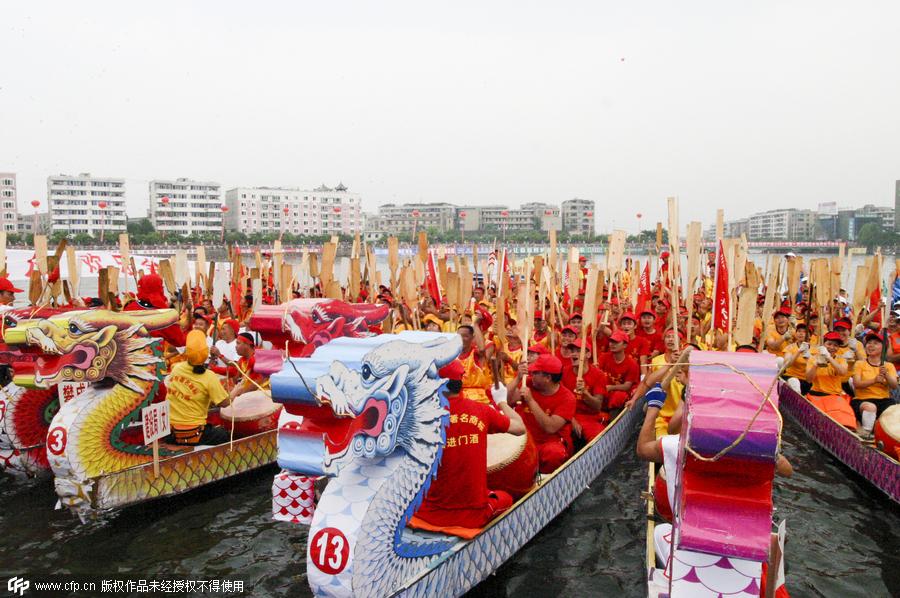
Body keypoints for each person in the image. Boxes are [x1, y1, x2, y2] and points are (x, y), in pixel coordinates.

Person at [412, 359, 526, 530]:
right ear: (461, 383)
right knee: (506, 498)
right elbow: (520, 428)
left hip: (429, 514)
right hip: (473, 516)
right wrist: (501, 401)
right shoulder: (482, 411)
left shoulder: (421, 418)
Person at [508, 354, 576, 473]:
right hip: (525, 440)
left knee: (554, 454)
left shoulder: (567, 398)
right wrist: (517, 379)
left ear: (547, 378)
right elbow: (507, 401)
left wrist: (530, 400)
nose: (531, 374)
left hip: (549, 444)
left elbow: (550, 427)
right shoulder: (528, 382)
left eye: (535, 372)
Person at [165, 330, 231, 445]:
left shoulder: (176, 368)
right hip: (193, 434)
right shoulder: (209, 376)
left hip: (170, 433)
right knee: (225, 434)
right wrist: (237, 391)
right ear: (206, 352)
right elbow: (225, 403)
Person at [851, 331, 898, 433]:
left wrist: (886, 374)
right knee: (870, 407)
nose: (871, 345)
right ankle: (867, 435)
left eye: (875, 343)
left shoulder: (889, 366)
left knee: (896, 411)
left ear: (883, 348)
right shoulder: (860, 364)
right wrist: (874, 380)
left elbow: (894, 386)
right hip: (863, 400)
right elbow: (857, 384)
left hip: (884, 401)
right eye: (869, 343)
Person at [598, 330, 640, 410]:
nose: (612, 344)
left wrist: (610, 387)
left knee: (619, 396)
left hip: (619, 394)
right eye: (611, 341)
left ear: (625, 345)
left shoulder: (632, 364)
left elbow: (627, 386)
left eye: (616, 342)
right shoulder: (603, 357)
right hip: (603, 390)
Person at [228, 332, 268, 400]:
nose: (236, 346)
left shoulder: (259, 358)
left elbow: (256, 384)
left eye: (238, 343)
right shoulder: (241, 360)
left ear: (247, 344)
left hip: (263, 395)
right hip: (248, 396)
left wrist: (237, 394)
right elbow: (234, 379)